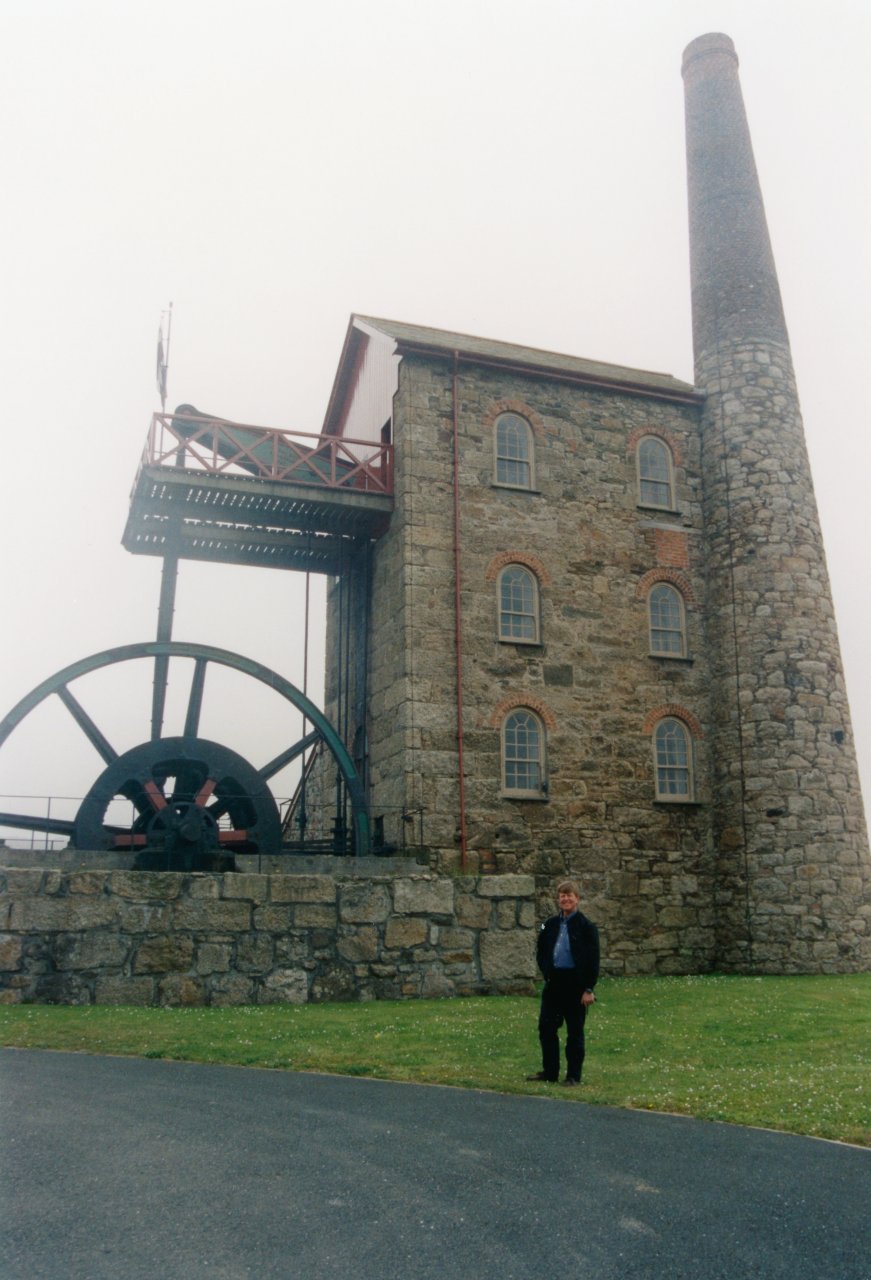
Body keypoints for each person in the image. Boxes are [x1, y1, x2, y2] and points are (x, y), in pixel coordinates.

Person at [526, 879, 600, 1086]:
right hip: (554, 983)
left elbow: (593, 960)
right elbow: (541, 949)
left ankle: (573, 1076)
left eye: (570, 895)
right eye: (562, 896)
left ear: (577, 899)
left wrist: (588, 989)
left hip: (576, 986)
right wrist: (546, 970)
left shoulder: (587, 927)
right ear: (558, 899)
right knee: (546, 1028)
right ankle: (550, 1072)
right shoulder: (548, 924)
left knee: (574, 1032)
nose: (566, 899)